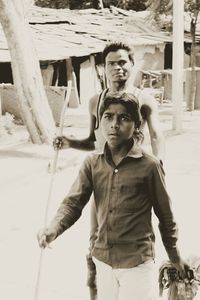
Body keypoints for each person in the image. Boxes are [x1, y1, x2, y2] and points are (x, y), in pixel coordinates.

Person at [38, 92, 188, 300]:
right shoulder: (92, 163)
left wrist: (175, 256)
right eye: (108, 117)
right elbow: (73, 203)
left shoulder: (150, 166)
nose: (114, 124)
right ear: (100, 123)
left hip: (137, 262)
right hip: (103, 259)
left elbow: (166, 215)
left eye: (124, 118)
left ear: (137, 125)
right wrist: (53, 228)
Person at [54, 41, 165, 160]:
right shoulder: (95, 101)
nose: (117, 67)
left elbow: (155, 136)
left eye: (122, 62)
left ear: (132, 63)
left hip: (132, 169)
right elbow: (94, 142)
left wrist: (158, 164)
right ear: (104, 67)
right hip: (103, 171)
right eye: (111, 63)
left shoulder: (144, 99)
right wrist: (70, 143)